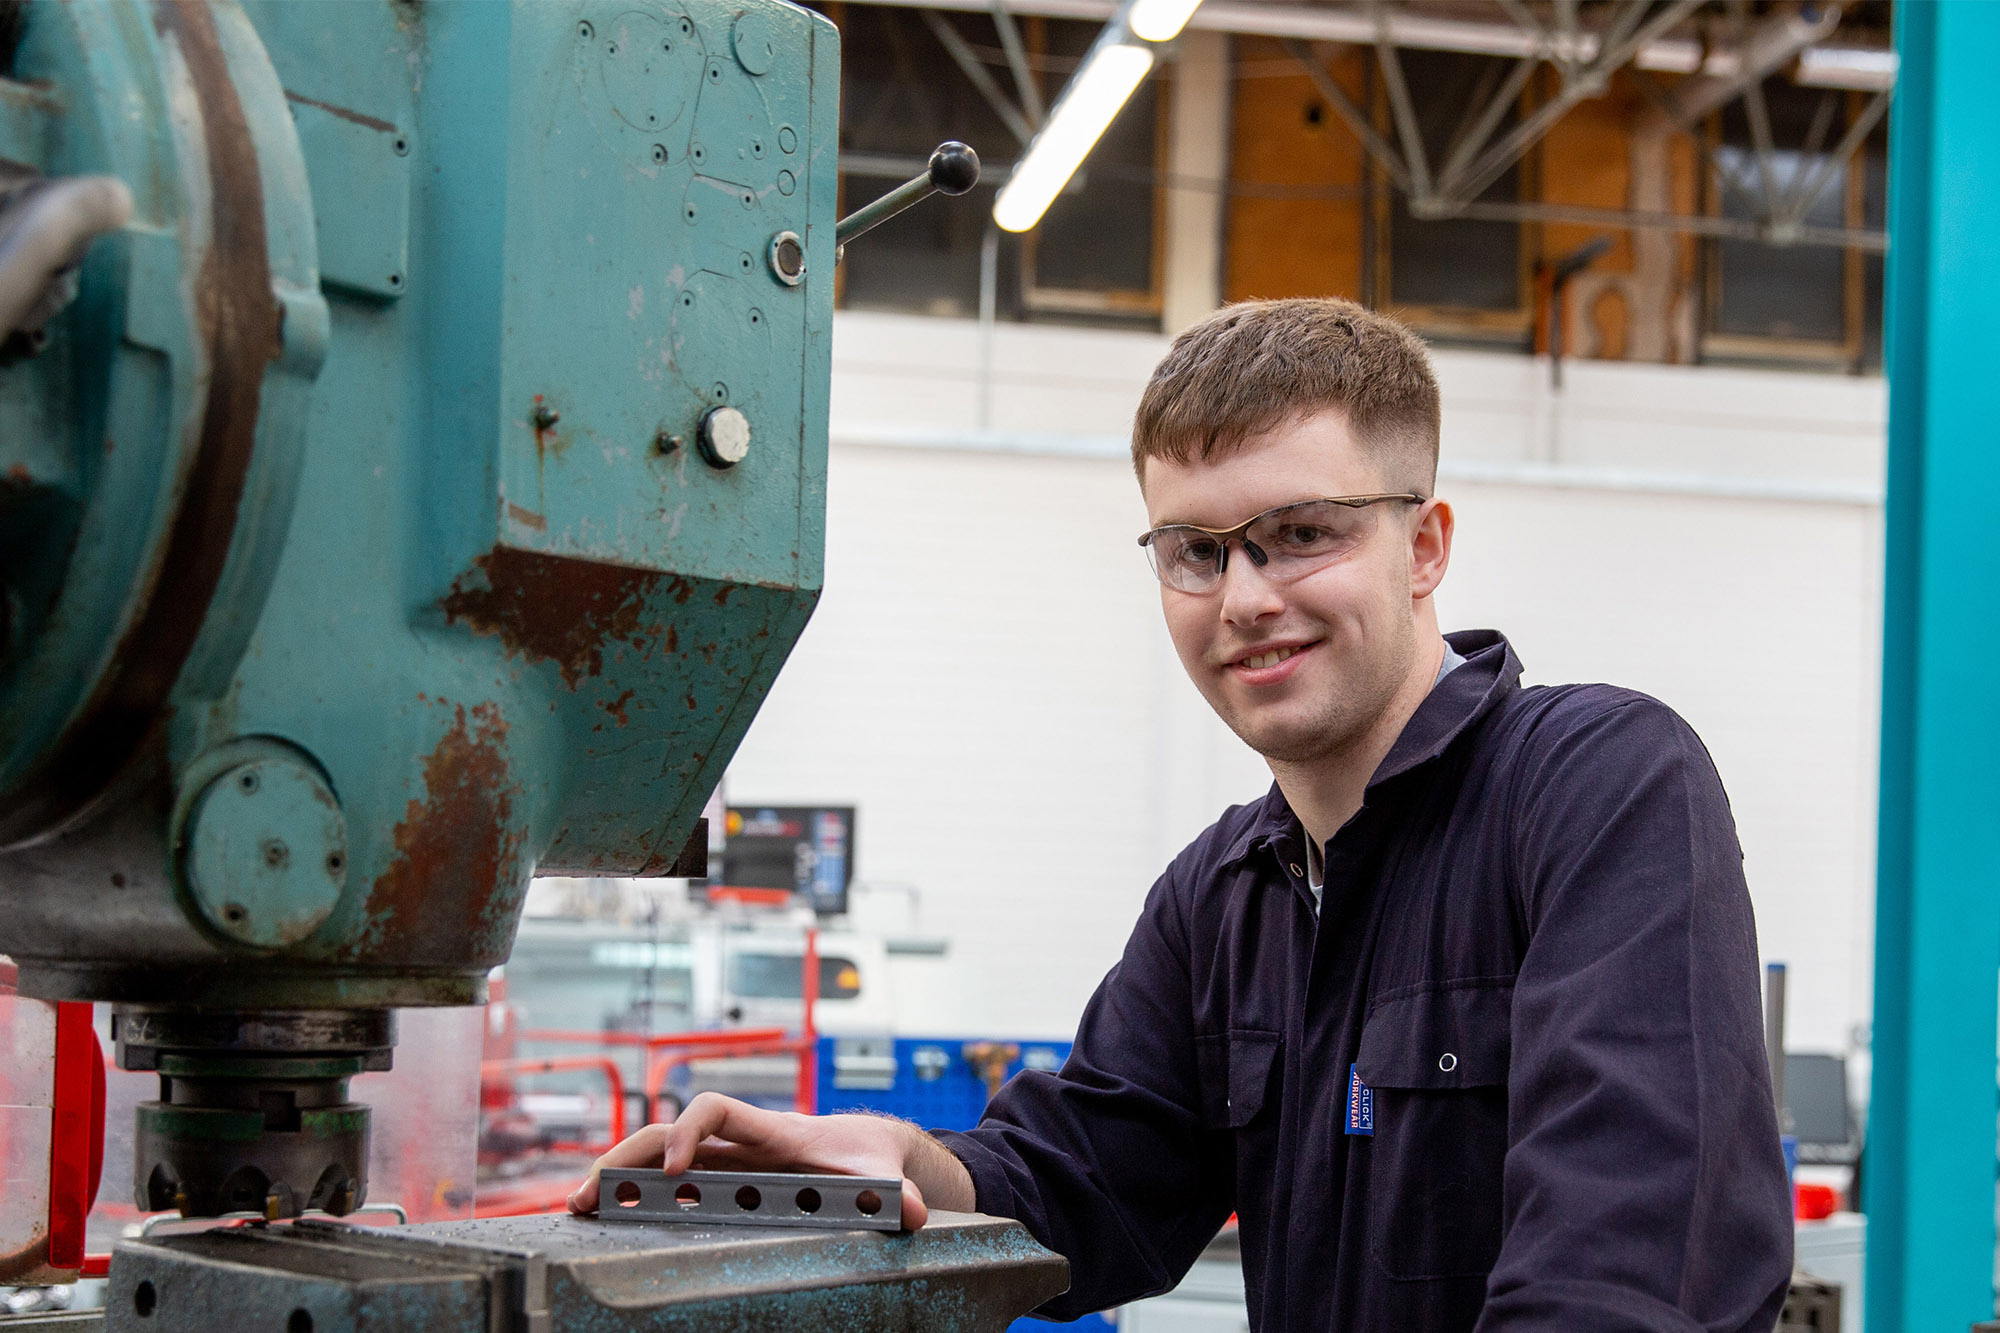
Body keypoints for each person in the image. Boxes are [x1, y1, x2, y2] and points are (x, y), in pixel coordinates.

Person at [569, 298, 1794, 1331]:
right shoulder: (1222, 893)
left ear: (1423, 546)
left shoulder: (1597, 786)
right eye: (1194, 551)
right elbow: (1082, 1179)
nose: (1244, 597)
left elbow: (1622, 1280)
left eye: (1299, 536)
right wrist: (894, 1162)